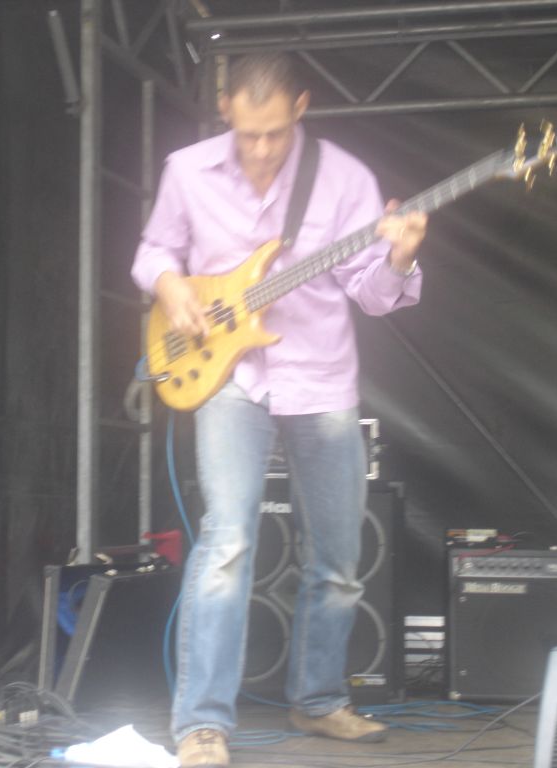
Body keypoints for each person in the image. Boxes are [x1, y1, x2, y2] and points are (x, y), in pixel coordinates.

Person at [131, 53, 427, 768]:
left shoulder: (346, 179)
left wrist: (398, 259)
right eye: (247, 133)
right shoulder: (187, 171)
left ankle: (318, 700)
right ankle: (202, 724)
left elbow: (372, 296)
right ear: (225, 109)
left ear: (301, 107)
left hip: (321, 377)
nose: (261, 149)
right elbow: (152, 252)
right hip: (229, 376)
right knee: (228, 541)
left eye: (274, 133)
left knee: (340, 556)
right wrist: (171, 288)